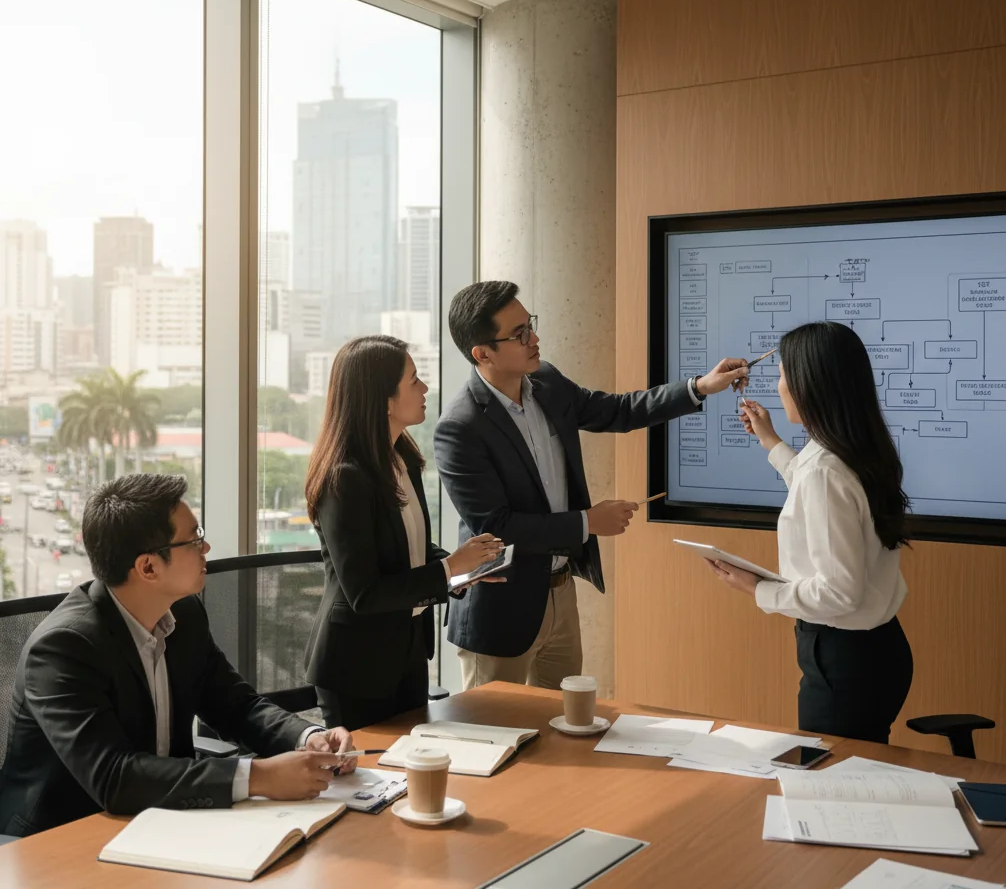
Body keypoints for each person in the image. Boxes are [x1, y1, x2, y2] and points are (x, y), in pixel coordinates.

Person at [0, 474, 357, 838]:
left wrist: (306, 737)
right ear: (148, 567)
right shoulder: (63, 648)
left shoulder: (184, 615)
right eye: (195, 539)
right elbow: (114, 777)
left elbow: (237, 706)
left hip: (163, 820)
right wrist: (259, 777)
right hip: (61, 837)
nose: (207, 548)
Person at [435, 280, 750, 691]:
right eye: (520, 334)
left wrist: (699, 388)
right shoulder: (460, 427)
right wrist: (587, 522)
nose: (535, 338)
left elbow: (617, 411)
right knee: (495, 741)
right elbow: (498, 528)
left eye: (530, 324)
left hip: (560, 592)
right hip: (501, 610)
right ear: (482, 353)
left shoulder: (546, 382)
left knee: (564, 734)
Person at [708, 321, 913, 743]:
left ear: (809, 385)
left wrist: (757, 588)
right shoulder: (853, 450)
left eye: (783, 375)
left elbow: (839, 593)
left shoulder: (824, 469)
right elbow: (819, 491)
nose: (780, 386)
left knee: (833, 787)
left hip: (844, 661)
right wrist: (771, 441)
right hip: (877, 652)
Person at [304, 335, 506, 731]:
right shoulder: (345, 480)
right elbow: (366, 593)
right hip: (357, 667)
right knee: (371, 784)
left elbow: (407, 550)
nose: (425, 388)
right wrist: (448, 569)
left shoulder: (402, 459)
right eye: (414, 380)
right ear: (383, 399)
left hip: (406, 652)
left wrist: (464, 570)